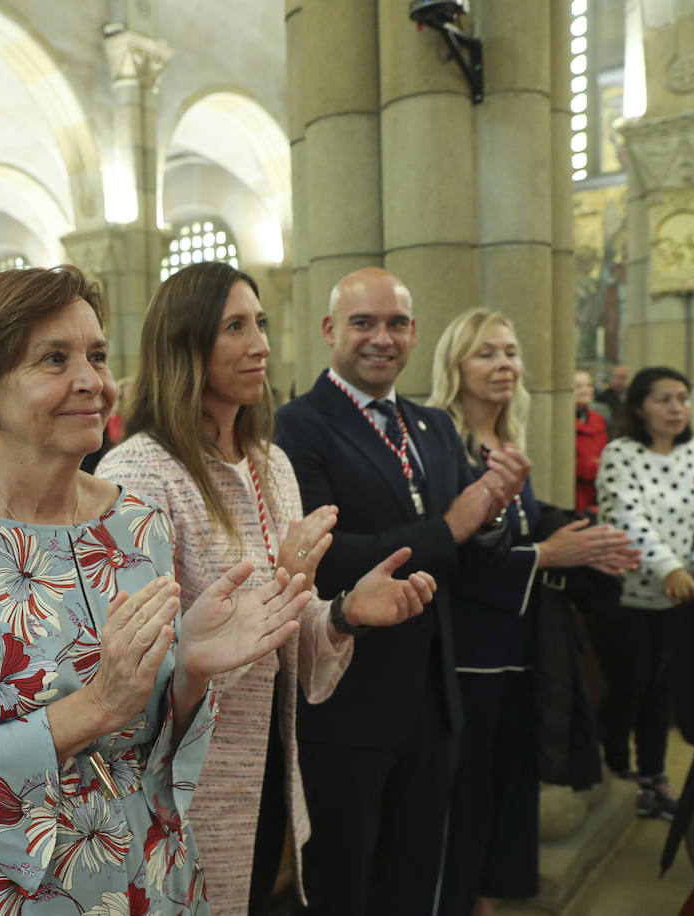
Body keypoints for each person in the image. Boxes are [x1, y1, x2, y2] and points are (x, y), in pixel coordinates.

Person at [0, 265, 318, 915]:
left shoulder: (135, 523)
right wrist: (92, 709)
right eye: (55, 359)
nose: (92, 381)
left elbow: (158, 752)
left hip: (155, 879)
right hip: (16, 894)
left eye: (98, 356)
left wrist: (191, 669)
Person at [96, 262, 437, 914]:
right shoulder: (140, 470)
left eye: (261, 323)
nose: (261, 345)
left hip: (270, 750)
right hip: (187, 766)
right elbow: (136, 648)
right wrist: (272, 598)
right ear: (185, 344)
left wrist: (342, 613)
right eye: (234, 327)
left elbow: (288, 614)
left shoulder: (268, 462)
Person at [272, 268, 530, 916]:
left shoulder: (432, 427)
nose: (381, 338)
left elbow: (469, 551)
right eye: (363, 322)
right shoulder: (298, 427)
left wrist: (493, 511)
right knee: (341, 888)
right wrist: (451, 526)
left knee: (414, 885)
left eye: (396, 324)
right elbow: (324, 558)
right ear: (331, 331)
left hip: (431, 702)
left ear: (414, 333)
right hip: (347, 705)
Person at [428, 311, 638, 916]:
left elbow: (520, 522)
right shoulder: (442, 443)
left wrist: (584, 541)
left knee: (505, 787)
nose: (504, 365)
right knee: (464, 795)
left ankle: (484, 893)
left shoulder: (507, 440)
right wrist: (547, 552)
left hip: (518, 643)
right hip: (467, 651)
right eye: (485, 353)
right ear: (455, 366)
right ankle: (459, 898)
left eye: (511, 352)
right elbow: (453, 550)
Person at [593, 366, 694, 817]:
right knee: (628, 688)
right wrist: (668, 567)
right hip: (627, 597)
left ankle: (654, 777)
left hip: (684, 596)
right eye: (664, 400)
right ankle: (614, 770)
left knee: (661, 691)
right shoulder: (620, 454)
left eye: (683, 399)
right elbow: (627, 519)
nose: (677, 409)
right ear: (638, 407)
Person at [574, 369, 609, 515]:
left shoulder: (598, 419)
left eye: (588, 385)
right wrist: (596, 466)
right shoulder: (560, 422)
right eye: (579, 386)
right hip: (575, 495)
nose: (586, 390)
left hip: (599, 493)